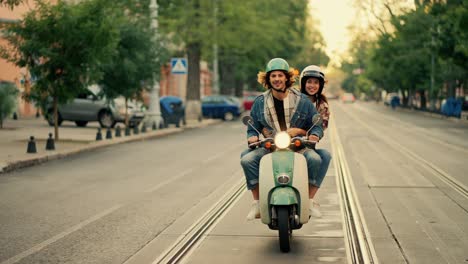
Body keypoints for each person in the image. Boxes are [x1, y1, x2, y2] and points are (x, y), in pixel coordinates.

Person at [240, 58, 324, 220]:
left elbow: (317, 123)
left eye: (280, 75)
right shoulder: (260, 102)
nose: (277, 79)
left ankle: (308, 201)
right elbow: (252, 127)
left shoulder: (302, 100)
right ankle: (257, 203)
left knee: (315, 159)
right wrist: (252, 137)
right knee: (247, 160)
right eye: (273, 76)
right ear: (268, 79)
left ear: (287, 78)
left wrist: (314, 134)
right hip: (270, 145)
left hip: (297, 145)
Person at [299, 65, 333, 218]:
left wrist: (314, 136)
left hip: (307, 145)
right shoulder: (293, 99)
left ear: (320, 86)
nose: (312, 86)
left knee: (324, 156)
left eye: (316, 83)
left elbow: (321, 127)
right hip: (286, 143)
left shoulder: (322, 106)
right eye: (309, 82)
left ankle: (309, 199)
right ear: (303, 83)